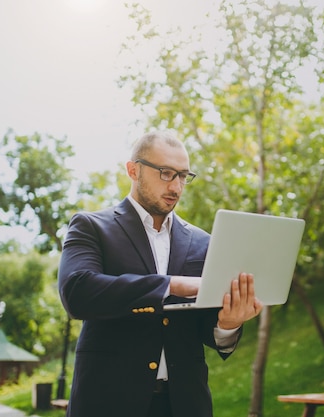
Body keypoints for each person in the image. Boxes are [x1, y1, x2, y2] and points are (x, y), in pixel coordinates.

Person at [58, 130, 263, 417]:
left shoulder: (203, 242)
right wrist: (173, 285)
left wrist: (227, 323)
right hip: (108, 402)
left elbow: (203, 323)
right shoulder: (91, 226)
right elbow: (77, 291)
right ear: (133, 170)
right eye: (166, 173)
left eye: (183, 176)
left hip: (185, 404)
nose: (176, 186)